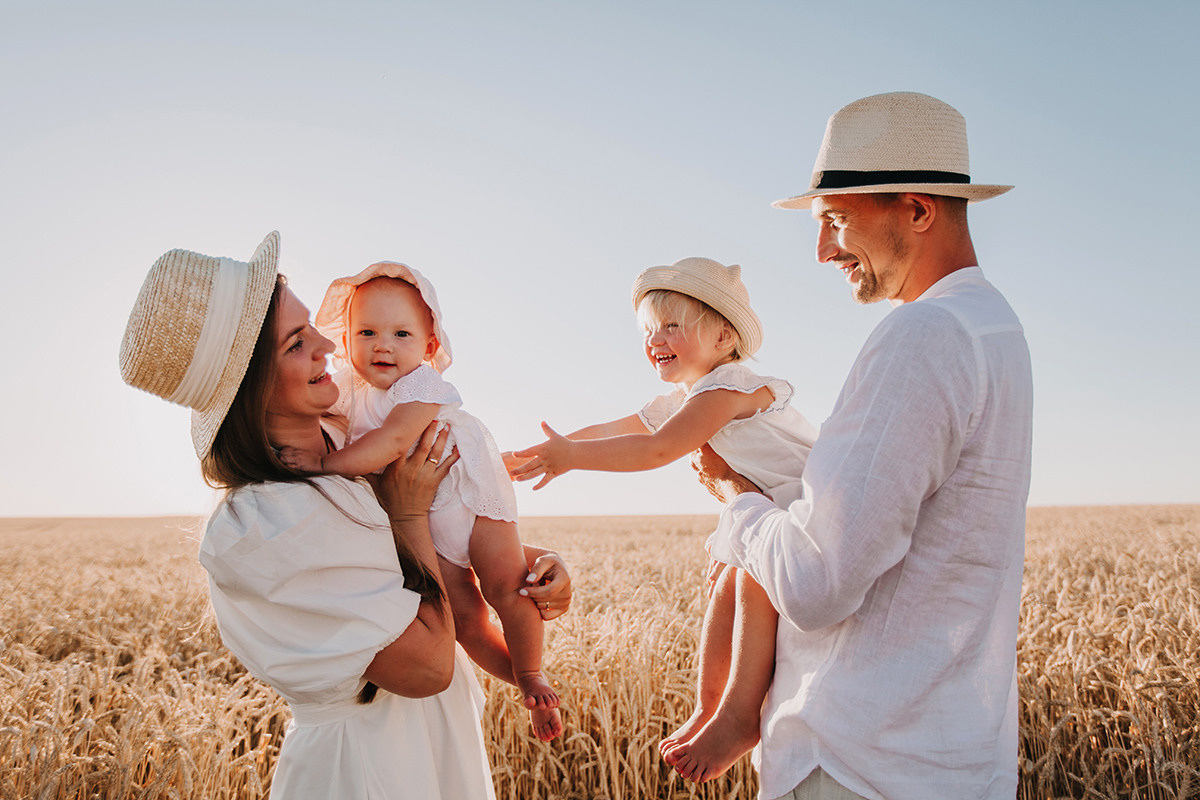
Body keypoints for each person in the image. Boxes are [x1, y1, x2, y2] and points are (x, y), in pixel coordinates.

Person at [118, 232, 572, 799]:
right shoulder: (265, 524)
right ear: (249, 386)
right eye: (295, 343)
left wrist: (533, 566)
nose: (328, 347)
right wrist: (406, 512)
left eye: (313, 328)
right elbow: (429, 665)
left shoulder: (348, 446)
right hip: (366, 768)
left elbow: (437, 541)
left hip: (433, 746)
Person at [684, 91, 1033, 800]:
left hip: (856, 762)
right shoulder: (997, 331)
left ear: (917, 209)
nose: (821, 251)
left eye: (836, 220)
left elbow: (816, 584)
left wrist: (735, 494)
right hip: (949, 759)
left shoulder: (923, 337)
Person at [508, 256, 818, 783]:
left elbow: (657, 450)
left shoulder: (731, 386)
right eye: (650, 330)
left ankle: (740, 716)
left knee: (752, 579)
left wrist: (571, 458)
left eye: (673, 325)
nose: (656, 338)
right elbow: (619, 427)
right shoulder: (685, 397)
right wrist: (547, 450)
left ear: (724, 336)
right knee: (727, 582)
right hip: (762, 509)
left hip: (805, 509)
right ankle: (708, 705)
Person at [280, 262, 562, 741]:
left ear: (429, 348)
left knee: (507, 584)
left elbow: (392, 443)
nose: (383, 345)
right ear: (345, 342)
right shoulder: (348, 391)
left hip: (467, 498)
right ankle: (522, 685)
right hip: (424, 525)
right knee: (464, 621)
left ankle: (533, 670)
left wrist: (324, 468)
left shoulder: (422, 386)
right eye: (366, 332)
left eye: (401, 333)